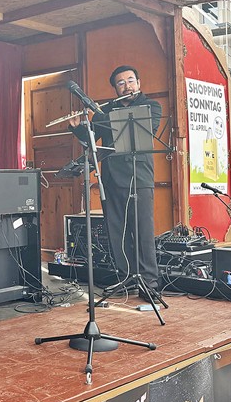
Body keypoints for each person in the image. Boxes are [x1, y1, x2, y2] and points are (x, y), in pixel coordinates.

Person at [69, 65, 162, 302]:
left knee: (142, 231)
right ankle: (126, 278)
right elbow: (92, 138)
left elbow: (147, 130)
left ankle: (149, 283)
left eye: (131, 80)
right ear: (115, 88)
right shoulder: (106, 109)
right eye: (121, 83)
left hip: (139, 177)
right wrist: (79, 128)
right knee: (117, 231)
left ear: (138, 83)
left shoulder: (151, 106)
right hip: (111, 177)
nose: (127, 86)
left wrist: (103, 116)